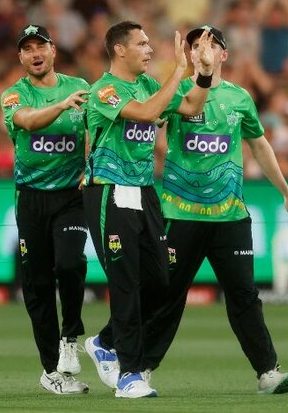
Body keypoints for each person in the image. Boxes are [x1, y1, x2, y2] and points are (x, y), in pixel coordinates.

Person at [143, 24, 288, 394]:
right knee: (167, 296)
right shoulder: (179, 93)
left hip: (230, 216)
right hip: (181, 214)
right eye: (195, 45)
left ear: (224, 55)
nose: (202, 50)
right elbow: (151, 122)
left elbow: (260, 146)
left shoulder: (240, 98)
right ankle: (140, 369)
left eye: (210, 45)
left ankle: (268, 372)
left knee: (244, 294)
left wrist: (286, 193)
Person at [82, 20, 214, 398]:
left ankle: (105, 341)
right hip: (109, 192)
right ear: (119, 50)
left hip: (143, 192)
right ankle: (129, 374)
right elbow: (144, 114)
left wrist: (202, 75)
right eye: (141, 43)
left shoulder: (147, 85)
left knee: (160, 280)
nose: (149, 49)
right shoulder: (104, 89)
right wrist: (180, 72)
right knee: (125, 283)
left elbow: (189, 106)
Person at [0, 24, 90, 395]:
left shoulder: (79, 87)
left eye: (41, 46)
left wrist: (94, 163)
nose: (35, 54)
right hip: (31, 197)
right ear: (20, 57)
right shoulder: (13, 95)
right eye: (27, 49)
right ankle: (52, 371)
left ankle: (71, 338)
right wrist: (59, 107)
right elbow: (27, 121)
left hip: (71, 196)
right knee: (36, 285)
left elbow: (97, 130)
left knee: (70, 263)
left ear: (53, 50)